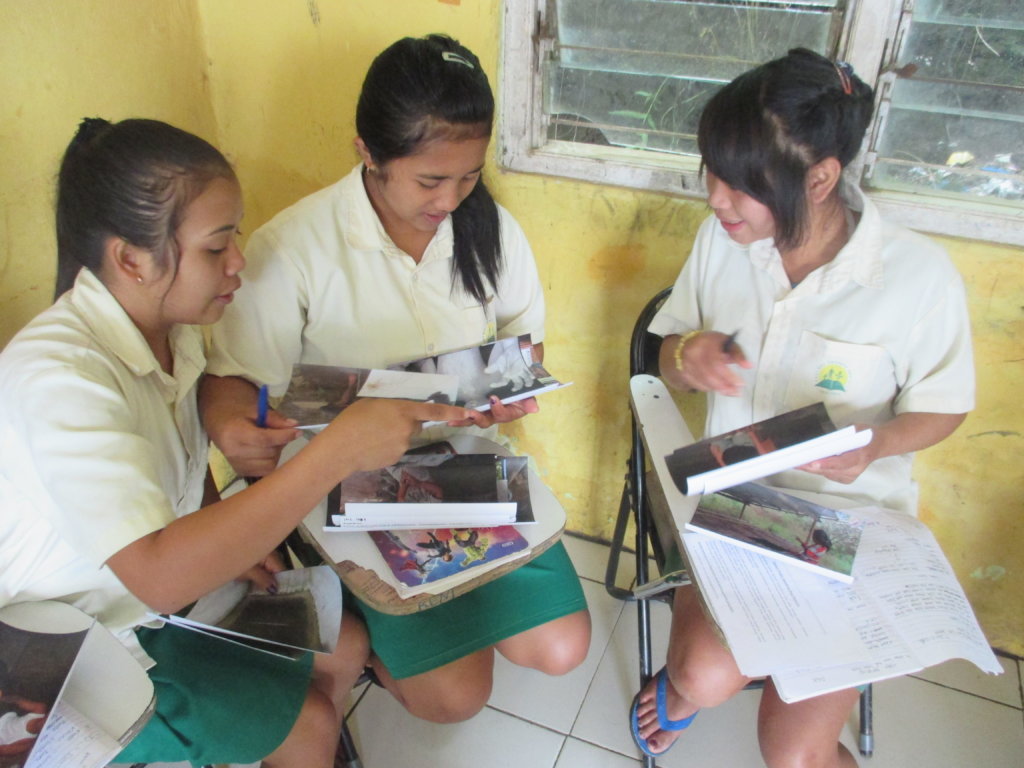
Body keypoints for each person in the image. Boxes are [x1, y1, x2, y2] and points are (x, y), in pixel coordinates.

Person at [0, 118, 470, 768]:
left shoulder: (175, 328)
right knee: (307, 725)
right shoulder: (59, 379)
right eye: (216, 247)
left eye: (235, 238)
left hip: (148, 595)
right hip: (66, 645)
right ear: (131, 260)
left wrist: (225, 537)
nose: (238, 261)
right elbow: (158, 577)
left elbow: (183, 471)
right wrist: (338, 450)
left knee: (346, 648)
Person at [200, 34, 591, 724]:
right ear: (368, 153)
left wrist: (507, 389)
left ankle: (453, 624)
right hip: (349, 483)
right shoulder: (293, 248)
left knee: (564, 648)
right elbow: (232, 379)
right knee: (455, 700)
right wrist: (234, 426)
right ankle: (394, 640)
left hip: (466, 466)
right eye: (430, 180)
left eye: (468, 177)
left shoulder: (491, 229)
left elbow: (522, 344)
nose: (452, 199)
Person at [630, 49, 974, 765]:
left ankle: (726, 678)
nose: (716, 199)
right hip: (736, 510)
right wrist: (686, 355)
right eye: (711, 171)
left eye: (742, 184)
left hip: (847, 530)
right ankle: (692, 684)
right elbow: (665, 358)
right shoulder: (722, 243)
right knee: (701, 676)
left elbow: (944, 407)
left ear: (819, 179)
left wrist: (877, 446)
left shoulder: (918, 277)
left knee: (794, 758)